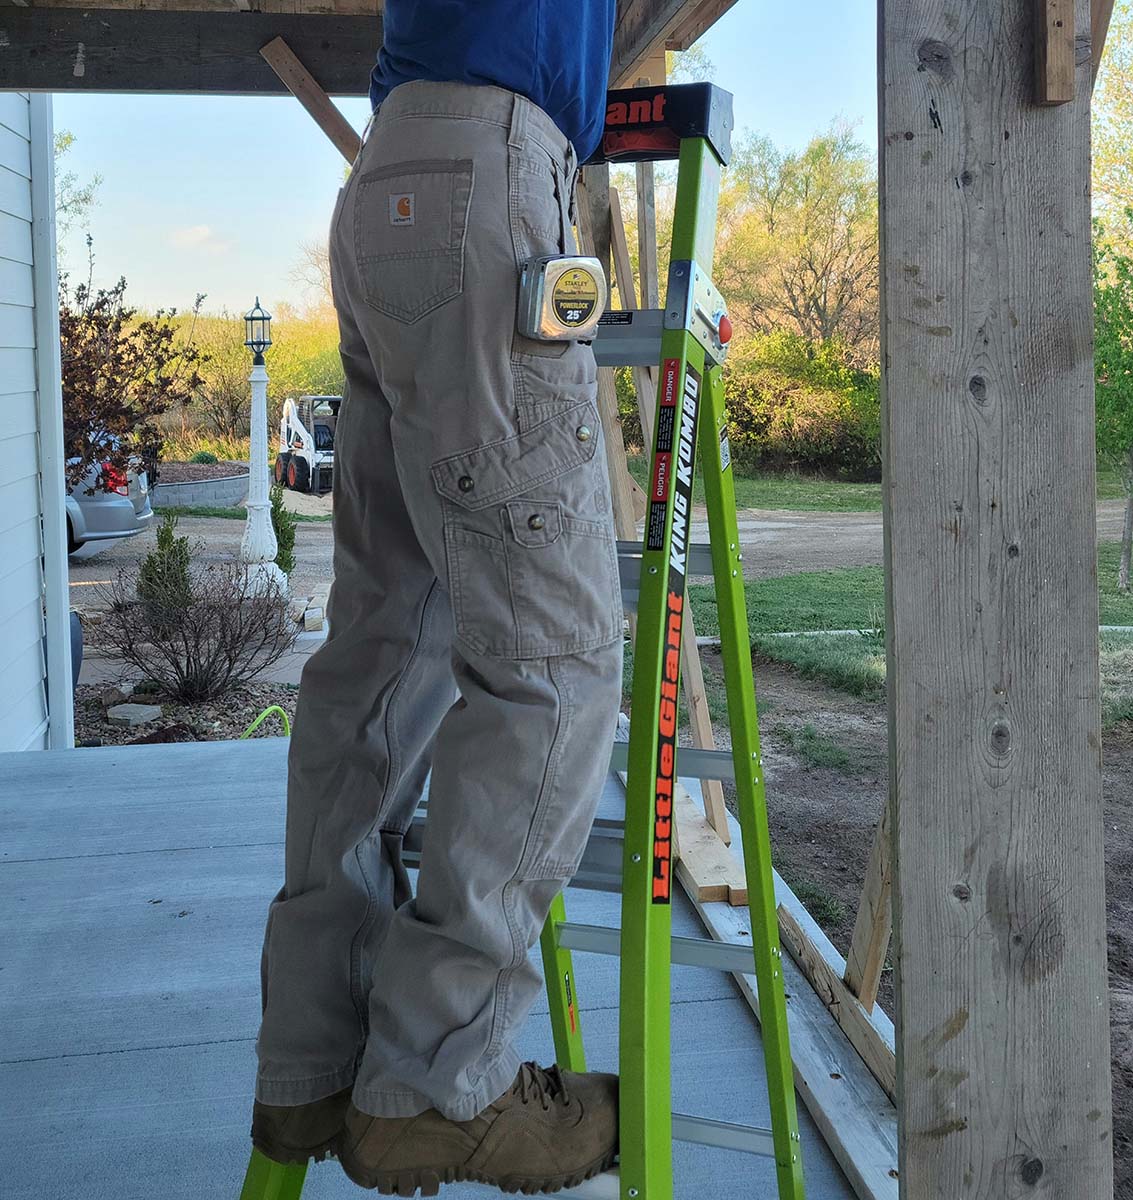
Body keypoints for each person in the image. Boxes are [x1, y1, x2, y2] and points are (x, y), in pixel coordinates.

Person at [249, 3, 624, 1195]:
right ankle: (432, 1082)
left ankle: (311, 1058)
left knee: (386, 639)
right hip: (489, 168)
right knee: (551, 667)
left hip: (395, 168)